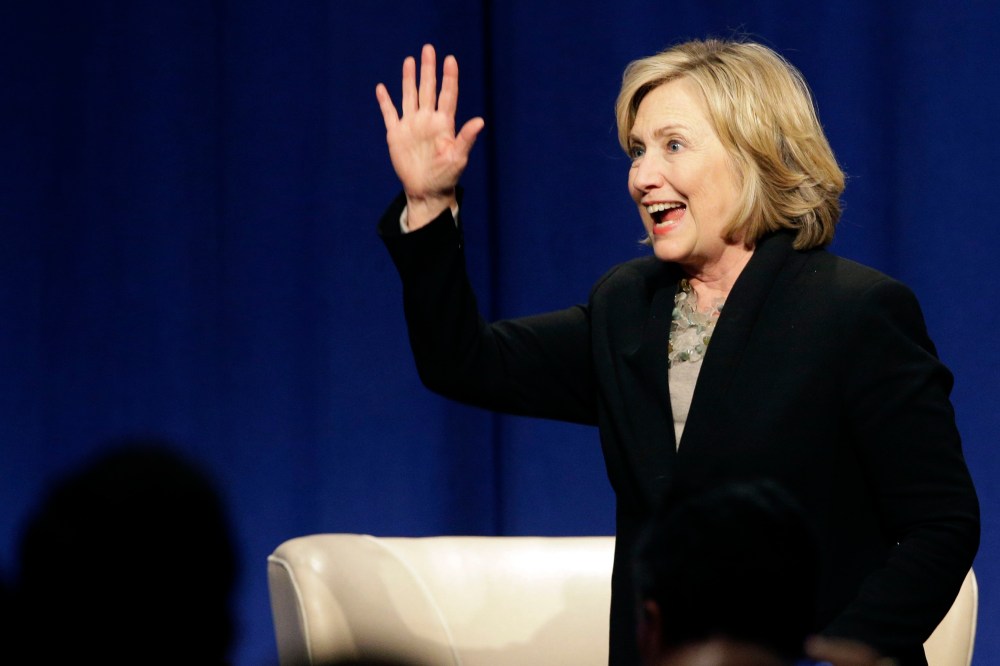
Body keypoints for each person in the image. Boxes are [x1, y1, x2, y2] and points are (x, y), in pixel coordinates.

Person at [373, 39, 979, 666]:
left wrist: (840, 654)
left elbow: (941, 523)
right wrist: (429, 204)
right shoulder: (627, 307)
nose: (641, 176)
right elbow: (464, 362)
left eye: (673, 145)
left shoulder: (855, 310)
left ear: (753, 155)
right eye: (637, 150)